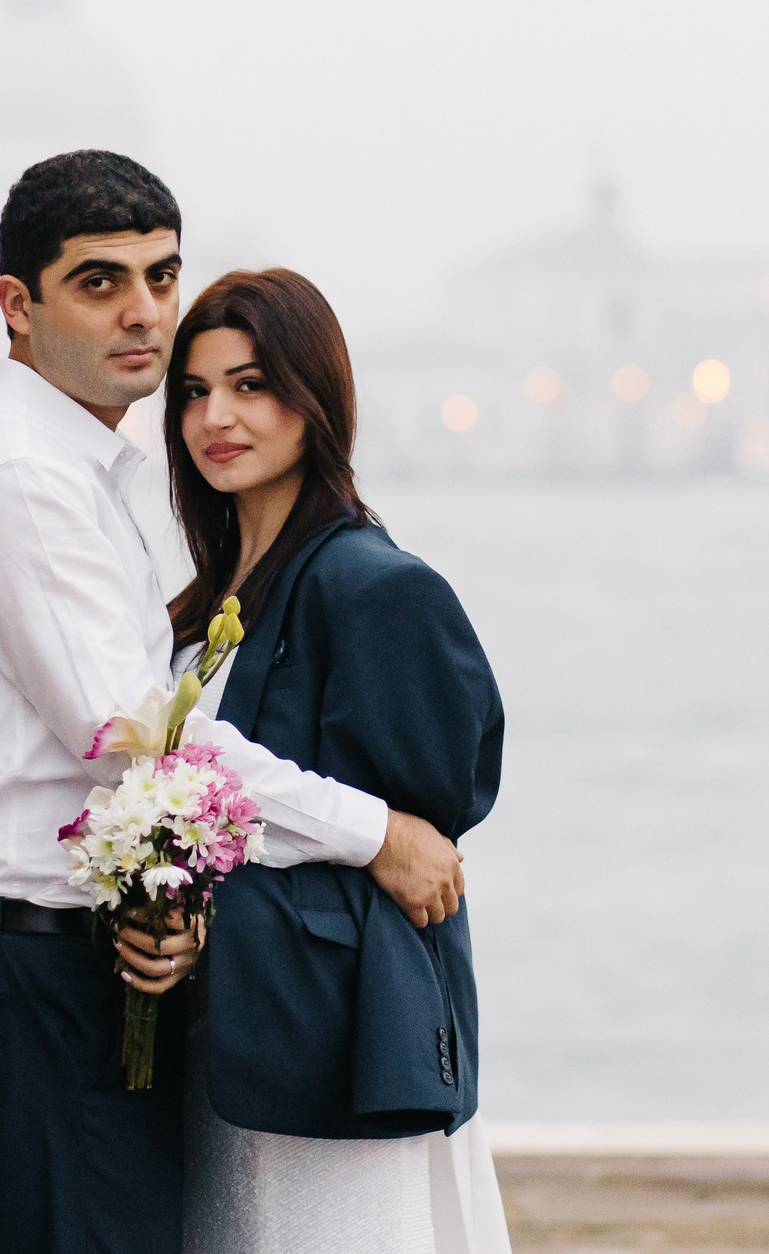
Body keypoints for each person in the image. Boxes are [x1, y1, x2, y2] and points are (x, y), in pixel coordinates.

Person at [0, 151, 469, 1254]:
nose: (143, 313)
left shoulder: (79, 473)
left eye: (161, 276)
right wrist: (375, 833)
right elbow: (136, 743)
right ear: (17, 304)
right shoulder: (20, 477)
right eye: (99, 283)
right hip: (30, 977)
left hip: (66, 968)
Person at [164, 269, 511, 1254]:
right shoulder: (201, 608)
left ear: (315, 401)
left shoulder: (373, 588)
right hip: (227, 1043)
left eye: (250, 384)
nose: (215, 417)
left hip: (326, 1049)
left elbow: (430, 823)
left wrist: (363, 839)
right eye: (194, 391)